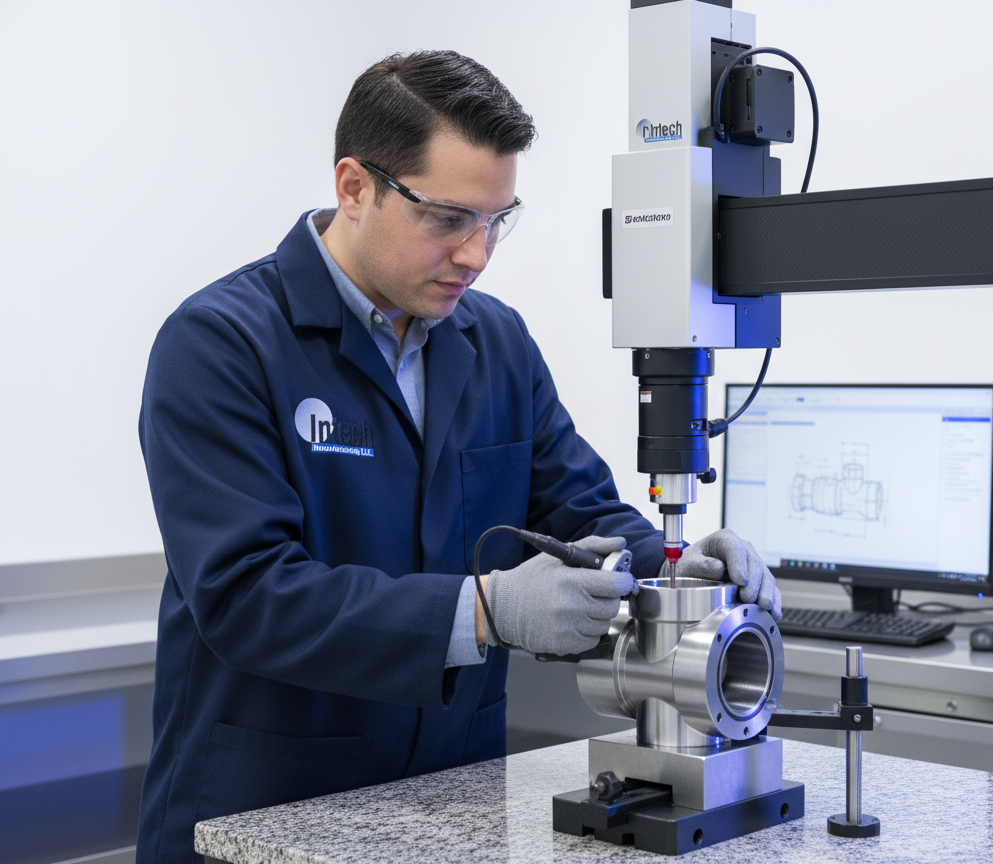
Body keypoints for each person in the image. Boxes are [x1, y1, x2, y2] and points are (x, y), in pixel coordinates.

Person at [136, 50, 781, 863]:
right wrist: (483, 613)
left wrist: (675, 570)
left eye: (496, 221)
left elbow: (578, 510)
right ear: (354, 188)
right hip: (266, 810)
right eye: (448, 219)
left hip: (452, 807)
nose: (476, 254)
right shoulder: (221, 344)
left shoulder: (495, 341)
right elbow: (246, 594)